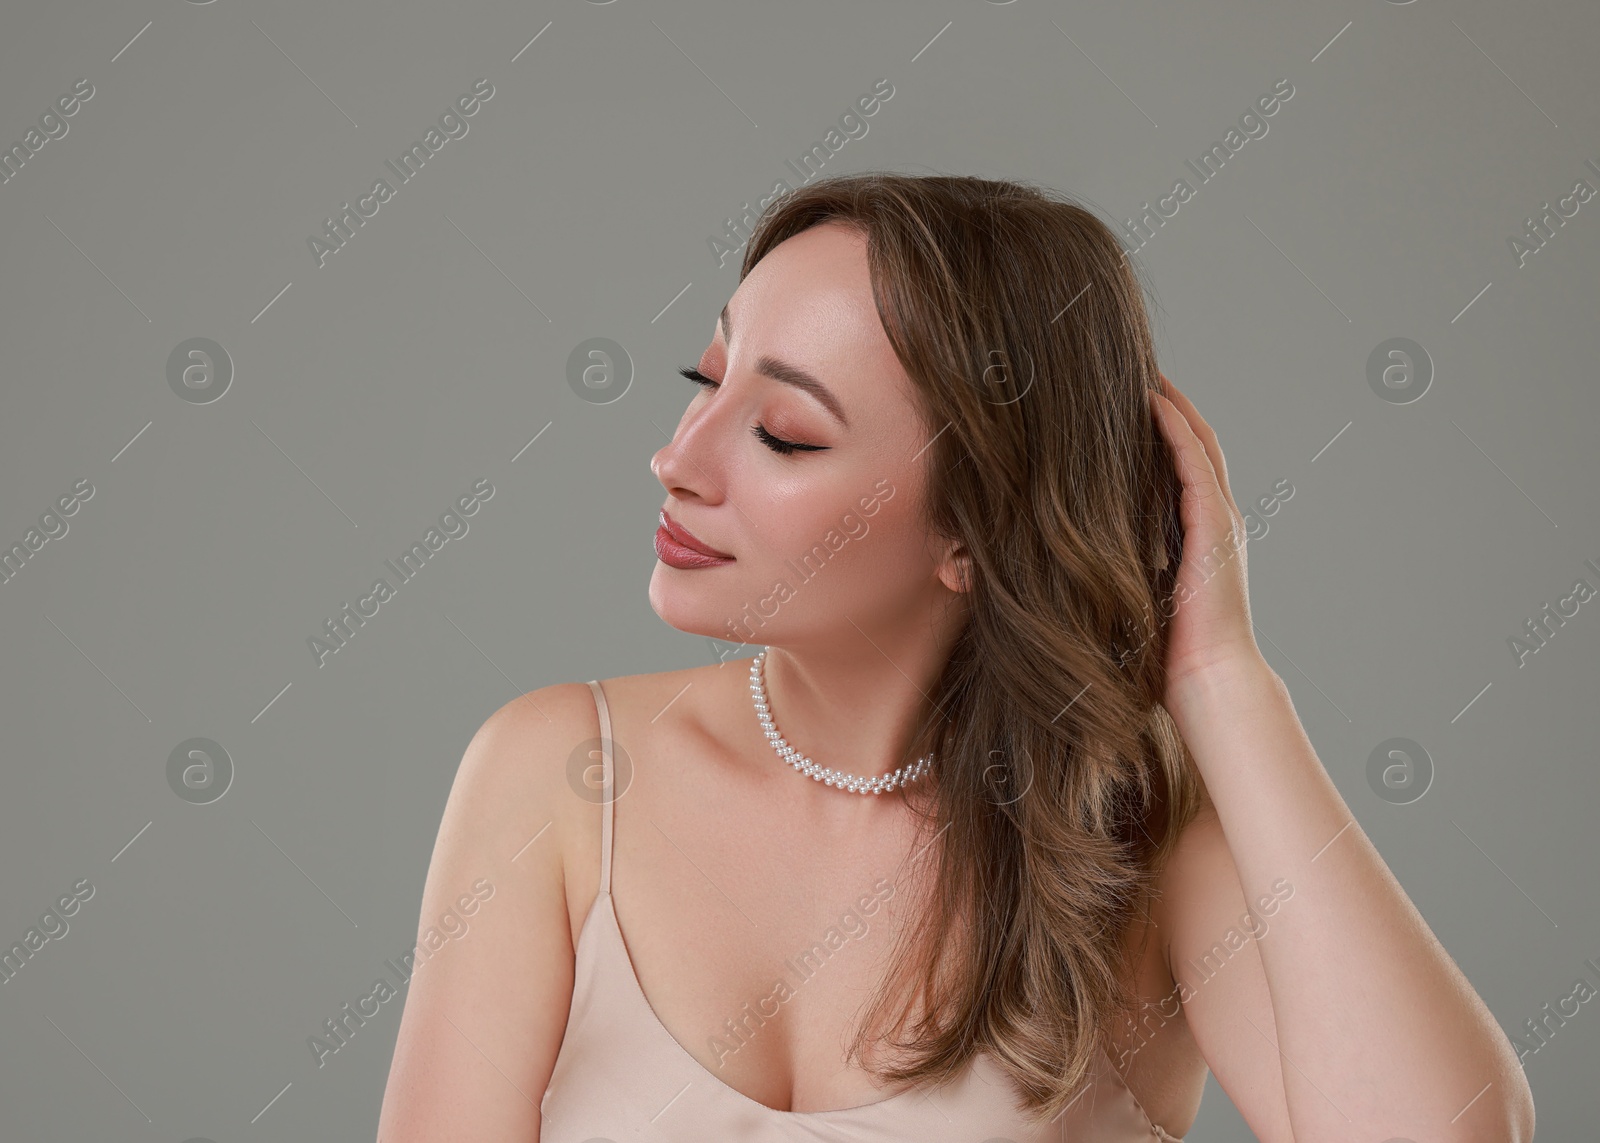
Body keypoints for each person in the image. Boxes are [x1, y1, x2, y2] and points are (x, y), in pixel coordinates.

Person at [376, 173, 1534, 1141]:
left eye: (782, 431)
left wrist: (1225, 681)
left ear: (971, 536)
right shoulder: (559, 776)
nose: (677, 458)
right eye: (705, 382)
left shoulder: (1134, 837)